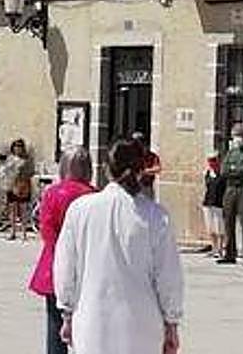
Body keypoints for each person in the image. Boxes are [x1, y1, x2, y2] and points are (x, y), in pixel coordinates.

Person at [54, 139, 184, 354]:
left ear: (106, 169)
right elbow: (169, 276)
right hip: (142, 326)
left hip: (91, 322)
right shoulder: (155, 216)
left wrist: (66, 312)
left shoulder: (80, 210)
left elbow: (66, 267)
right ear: (141, 170)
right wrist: (172, 322)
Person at [29, 147, 97, 354]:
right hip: (88, 268)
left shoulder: (52, 193)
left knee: (55, 327)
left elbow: (47, 231)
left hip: (55, 266)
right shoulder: (94, 195)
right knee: (88, 327)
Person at [218, 122, 243, 267]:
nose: (236, 139)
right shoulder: (231, 152)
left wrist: (233, 170)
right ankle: (229, 253)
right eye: (234, 136)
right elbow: (223, 170)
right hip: (230, 189)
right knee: (228, 220)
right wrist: (233, 170)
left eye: (238, 136)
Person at [1, 139, 37, 241]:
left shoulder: (27, 160)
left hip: (23, 186)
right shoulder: (10, 159)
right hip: (11, 185)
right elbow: (5, 171)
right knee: (12, 209)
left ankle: (24, 233)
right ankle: (12, 232)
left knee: (23, 209)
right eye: (16, 146)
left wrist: (23, 174)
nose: (18, 148)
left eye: (20, 146)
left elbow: (32, 172)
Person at [201, 153, 226, 257]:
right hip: (208, 202)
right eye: (210, 161)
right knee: (210, 227)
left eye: (214, 160)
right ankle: (214, 248)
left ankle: (220, 249)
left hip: (218, 203)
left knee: (219, 228)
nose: (212, 163)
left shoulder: (222, 175)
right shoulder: (207, 173)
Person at [132, 131, 161, 198]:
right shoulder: (133, 155)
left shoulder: (151, 156)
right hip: (133, 187)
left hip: (145, 187)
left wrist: (145, 171)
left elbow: (158, 168)